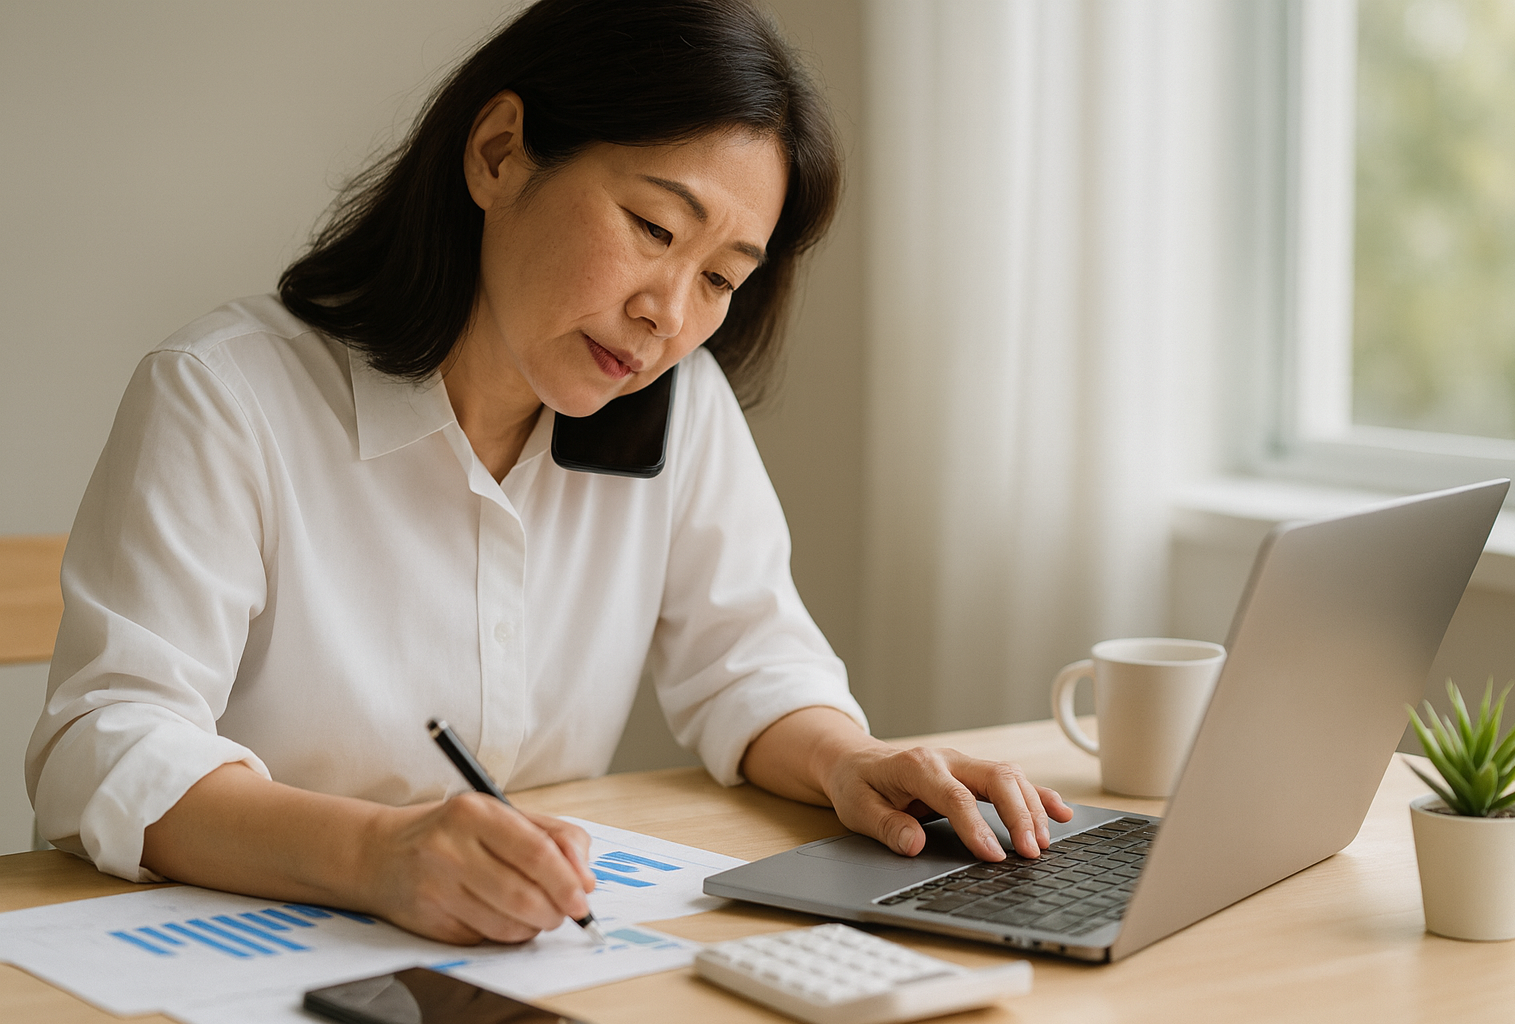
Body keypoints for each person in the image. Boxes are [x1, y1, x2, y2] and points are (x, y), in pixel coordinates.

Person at [27, 0, 1070, 946]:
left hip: (514, 956)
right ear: (498, 153)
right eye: (653, 228)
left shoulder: (676, 405)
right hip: (232, 953)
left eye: (718, 277)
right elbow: (103, 745)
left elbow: (750, 664)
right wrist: (375, 856)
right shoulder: (227, 395)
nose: (670, 313)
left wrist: (847, 758)